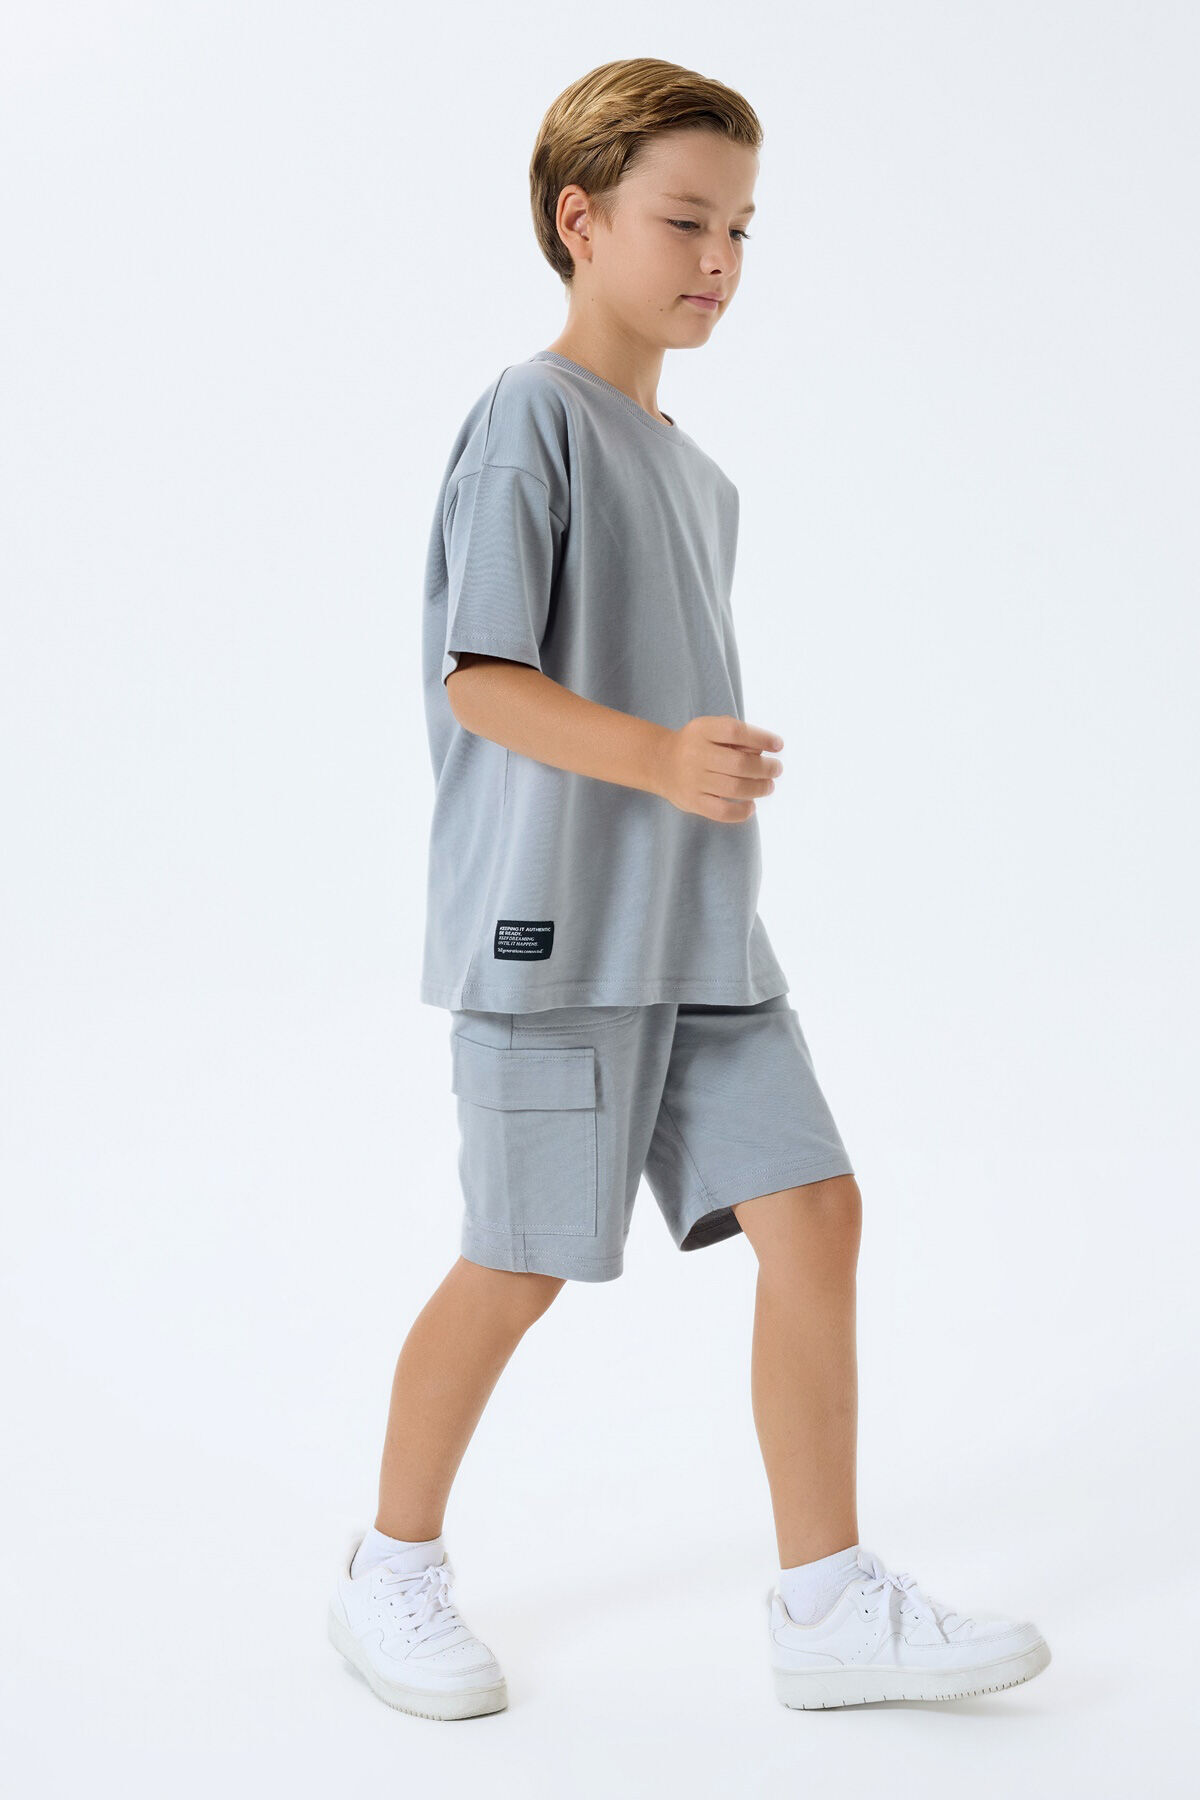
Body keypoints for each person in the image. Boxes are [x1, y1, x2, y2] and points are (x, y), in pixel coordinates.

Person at [326, 56, 1051, 1720]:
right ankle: (389, 1570)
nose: (719, 259)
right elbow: (481, 683)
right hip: (557, 937)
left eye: (740, 228)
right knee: (519, 1262)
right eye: (685, 221)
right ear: (579, 220)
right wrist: (662, 758)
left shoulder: (694, 469)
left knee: (818, 1214)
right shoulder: (528, 420)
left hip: (707, 934)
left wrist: (689, 789)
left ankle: (826, 1602)